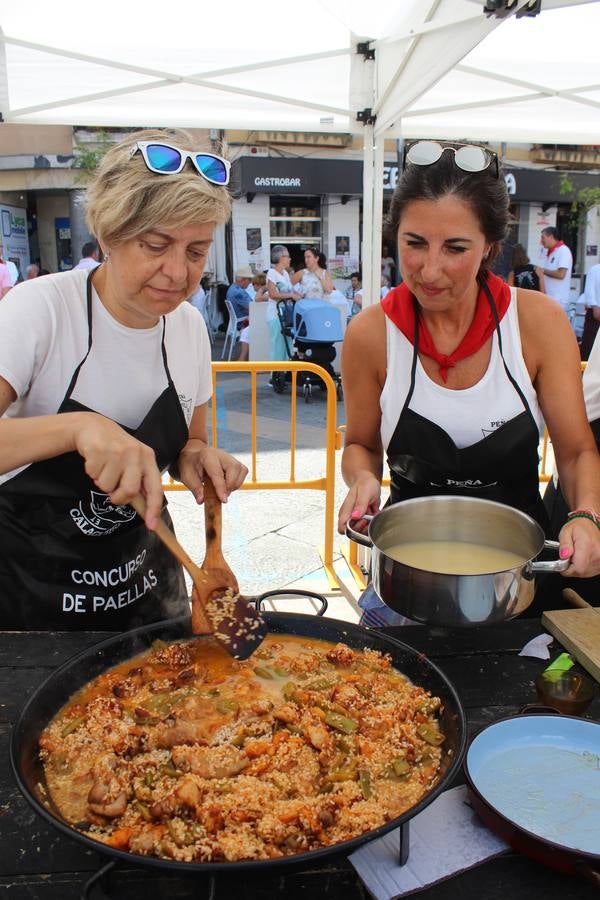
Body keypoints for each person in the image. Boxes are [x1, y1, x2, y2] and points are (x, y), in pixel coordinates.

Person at [338, 140, 600, 624]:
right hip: (407, 577)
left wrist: (585, 516)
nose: (430, 269)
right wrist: (362, 480)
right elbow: (359, 444)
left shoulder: (537, 323)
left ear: (490, 248)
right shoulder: (370, 335)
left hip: (517, 577)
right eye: (414, 243)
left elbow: (577, 449)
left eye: (455, 248)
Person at [0, 128, 247, 630]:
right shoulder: (40, 309)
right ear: (109, 235)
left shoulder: (188, 327)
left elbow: (190, 438)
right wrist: (77, 428)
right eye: (156, 245)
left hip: (147, 585)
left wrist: (196, 456)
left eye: (196, 252)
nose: (177, 272)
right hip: (32, 595)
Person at [266, 245, 302, 360]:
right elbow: (272, 294)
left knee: (288, 344)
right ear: (281, 258)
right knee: (278, 345)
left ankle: (285, 374)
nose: (290, 259)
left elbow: (291, 290)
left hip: (286, 315)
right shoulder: (272, 272)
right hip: (275, 314)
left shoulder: (285, 274)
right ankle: (275, 374)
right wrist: (291, 295)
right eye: (288, 256)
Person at [535, 226, 573, 312]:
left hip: (558, 301)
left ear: (551, 237)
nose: (541, 241)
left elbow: (561, 274)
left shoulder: (563, 250)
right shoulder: (551, 252)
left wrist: (543, 271)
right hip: (550, 300)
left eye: (543, 237)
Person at [238, 273, 268, 362]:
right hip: (261, 321)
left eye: (254, 284)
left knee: (245, 333)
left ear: (258, 285)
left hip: (264, 323)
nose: (252, 286)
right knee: (245, 332)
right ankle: (243, 358)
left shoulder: (265, 293)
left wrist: (262, 289)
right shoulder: (264, 293)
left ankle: (242, 358)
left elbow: (257, 299)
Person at [578, 262, 600, 361]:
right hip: (595, 311)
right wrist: (594, 306)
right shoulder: (595, 269)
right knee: (589, 344)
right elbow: (589, 290)